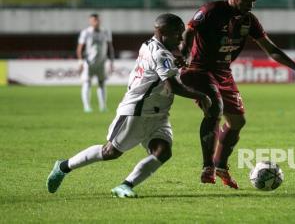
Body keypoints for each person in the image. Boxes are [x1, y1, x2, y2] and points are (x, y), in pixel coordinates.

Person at [47, 13, 212, 198]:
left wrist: (176, 59)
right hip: (137, 110)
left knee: (163, 151)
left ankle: (126, 185)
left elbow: (165, 64)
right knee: (110, 152)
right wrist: (202, 96)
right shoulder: (159, 53)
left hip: (159, 113)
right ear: (161, 32)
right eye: (176, 34)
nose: (180, 39)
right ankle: (63, 167)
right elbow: (172, 85)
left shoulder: (150, 44)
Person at [180, 0, 295, 189]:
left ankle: (220, 165)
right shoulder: (211, 10)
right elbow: (189, 32)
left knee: (237, 123)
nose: (250, 4)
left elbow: (271, 49)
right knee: (215, 109)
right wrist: (184, 53)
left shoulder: (249, 21)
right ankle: (208, 167)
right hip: (198, 70)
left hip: (223, 72)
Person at [77, 13, 115, 113]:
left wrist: (111, 61)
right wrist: (80, 62)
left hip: (102, 62)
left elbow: (110, 47)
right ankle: (87, 107)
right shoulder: (86, 32)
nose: (96, 22)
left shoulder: (106, 32)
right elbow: (79, 48)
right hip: (89, 62)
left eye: (97, 20)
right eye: (94, 20)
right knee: (87, 83)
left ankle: (103, 106)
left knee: (102, 83)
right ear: (90, 21)